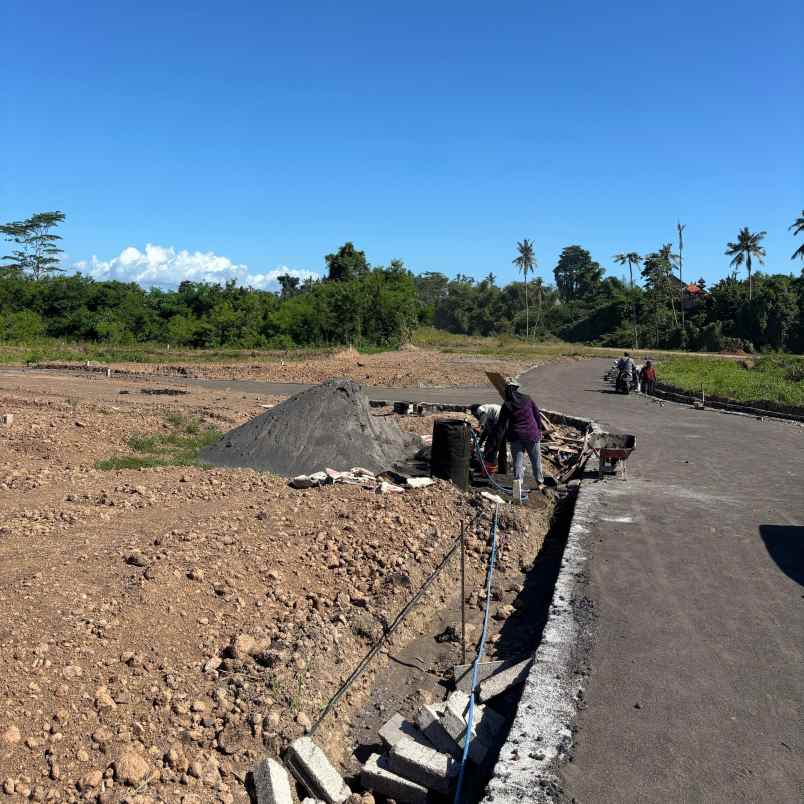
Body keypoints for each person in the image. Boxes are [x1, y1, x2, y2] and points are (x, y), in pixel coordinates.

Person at [488, 379, 544, 485]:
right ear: (516, 388)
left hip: (515, 436)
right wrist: (539, 429)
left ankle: (518, 484)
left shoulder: (507, 405)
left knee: (517, 462)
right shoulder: (527, 399)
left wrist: (495, 443)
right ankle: (540, 482)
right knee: (535, 460)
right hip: (531, 434)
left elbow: (501, 425)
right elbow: (537, 415)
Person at [471, 403, 507, 474]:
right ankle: (503, 469)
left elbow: (483, 416)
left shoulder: (480, 409)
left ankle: (487, 471)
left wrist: (480, 426)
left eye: (474, 414)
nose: (475, 416)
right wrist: (479, 443)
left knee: (491, 447)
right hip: (506, 423)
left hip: (500, 423)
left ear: (475, 411)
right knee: (501, 446)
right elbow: (486, 432)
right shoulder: (489, 413)